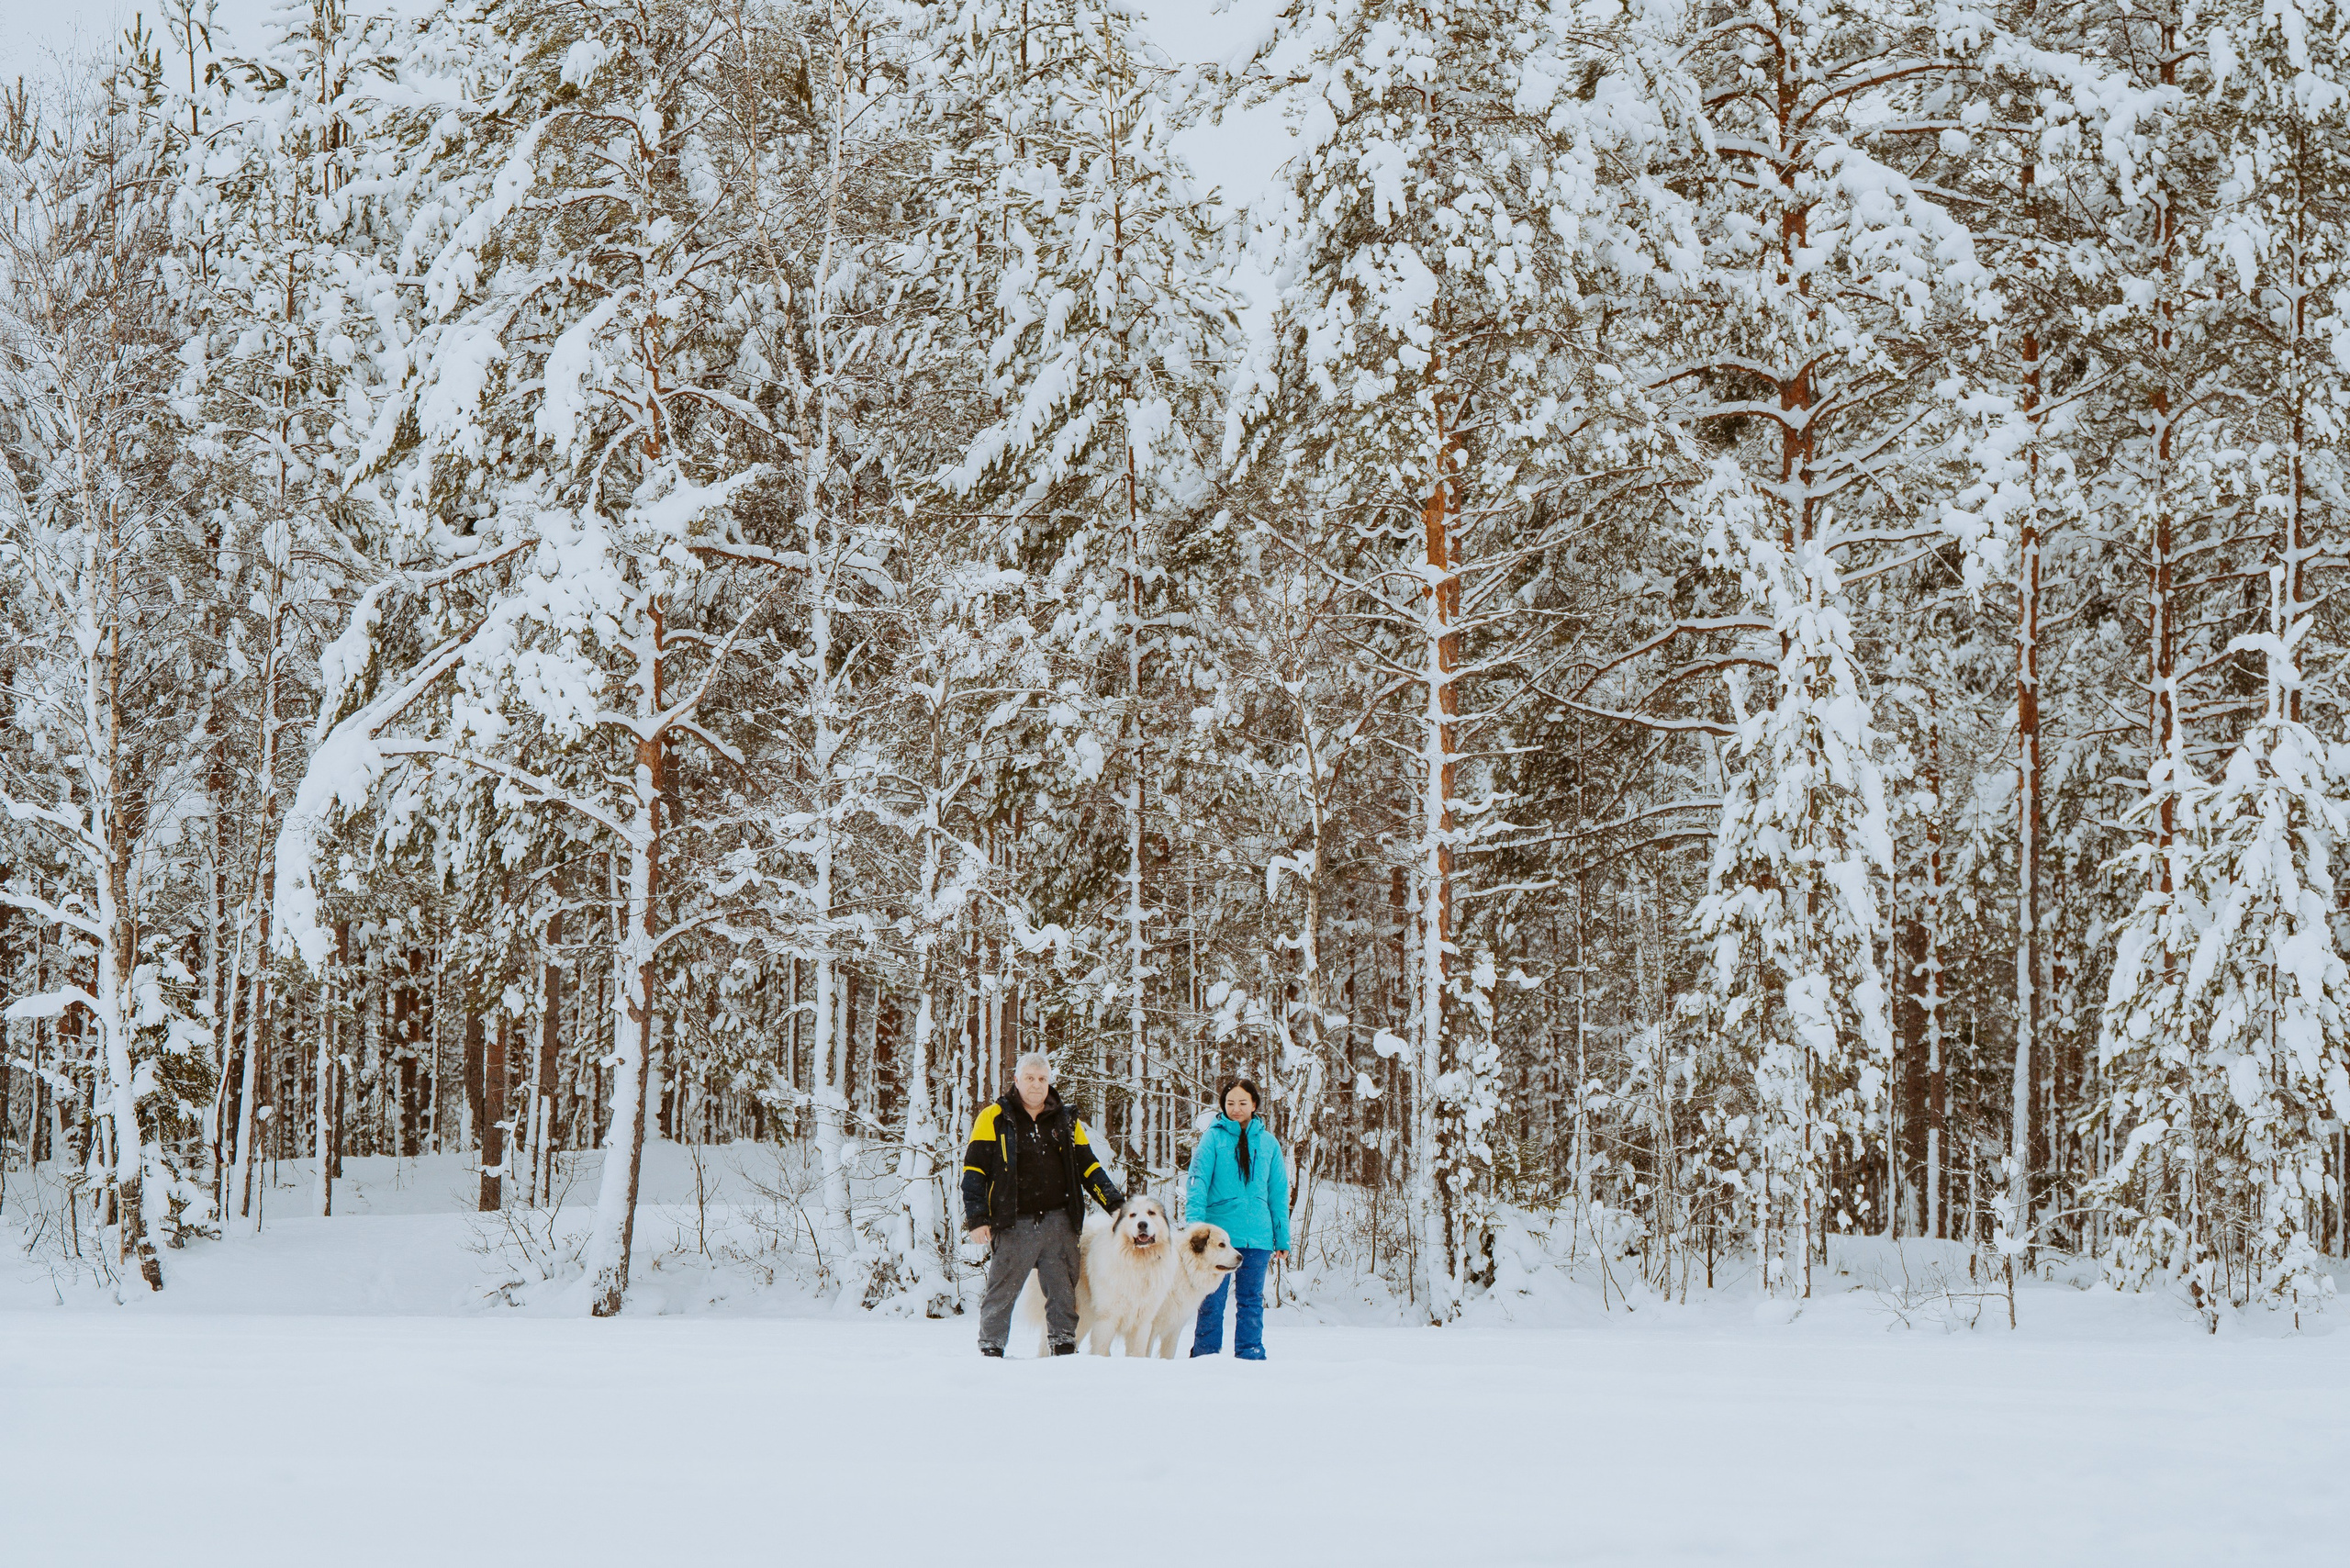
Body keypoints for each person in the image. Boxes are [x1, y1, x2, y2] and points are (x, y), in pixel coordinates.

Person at [962, 1051, 1124, 1357]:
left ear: (1049, 1081)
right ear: (1016, 1080)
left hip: (1059, 1222)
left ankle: (1063, 1348)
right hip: (1013, 1223)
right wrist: (977, 1218)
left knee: (1064, 1292)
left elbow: (1088, 1167)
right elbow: (974, 1171)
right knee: (1001, 1292)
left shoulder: (1066, 1120)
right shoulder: (994, 1117)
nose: (1036, 1085)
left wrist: (1117, 1206)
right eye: (1030, 1078)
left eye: (1042, 1079)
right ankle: (991, 1350)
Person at [1185, 1077, 1289, 1360]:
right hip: (1218, 1238)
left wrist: (1282, 1237)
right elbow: (1197, 1183)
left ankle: (1250, 1355)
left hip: (1258, 1236)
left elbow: (1278, 1192)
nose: (1236, 1109)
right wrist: (1195, 1230)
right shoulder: (1213, 1138)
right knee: (1211, 1301)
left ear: (1254, 1104)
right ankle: (1205, 1356)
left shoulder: (1269, 1143)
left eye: (1243, 1103)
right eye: (1230, 1103)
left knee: (1251, 1301)